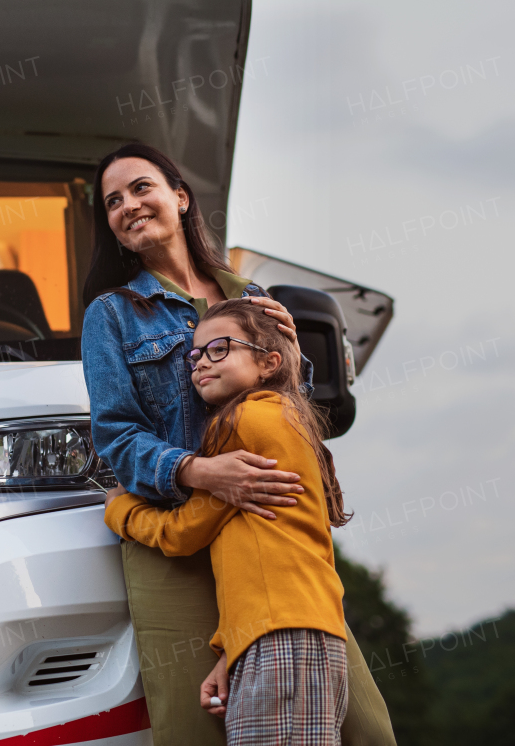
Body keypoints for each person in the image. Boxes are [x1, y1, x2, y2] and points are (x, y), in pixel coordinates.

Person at [80, 142, 396, 745]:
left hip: (266, 535)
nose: (127, 206)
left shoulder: (254, 298)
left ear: (179, 195)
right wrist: (201, 472)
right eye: (112, 202)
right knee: (198, 728)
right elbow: (116, 438)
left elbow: (295, 413)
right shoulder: (113, 315)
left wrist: (296, 356)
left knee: (367, 730)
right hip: (173, 540)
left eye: (140, 188)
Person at [104, 299, 350, 745]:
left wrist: (120, 509)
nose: (200, 364)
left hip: (281, 644)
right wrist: (231, 654)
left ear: (268, 362)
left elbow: (182, 534)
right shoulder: (289, 420)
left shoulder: (240, 422)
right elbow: (265, 559)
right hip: (304, 636)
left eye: (220, 349)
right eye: (195, 356)